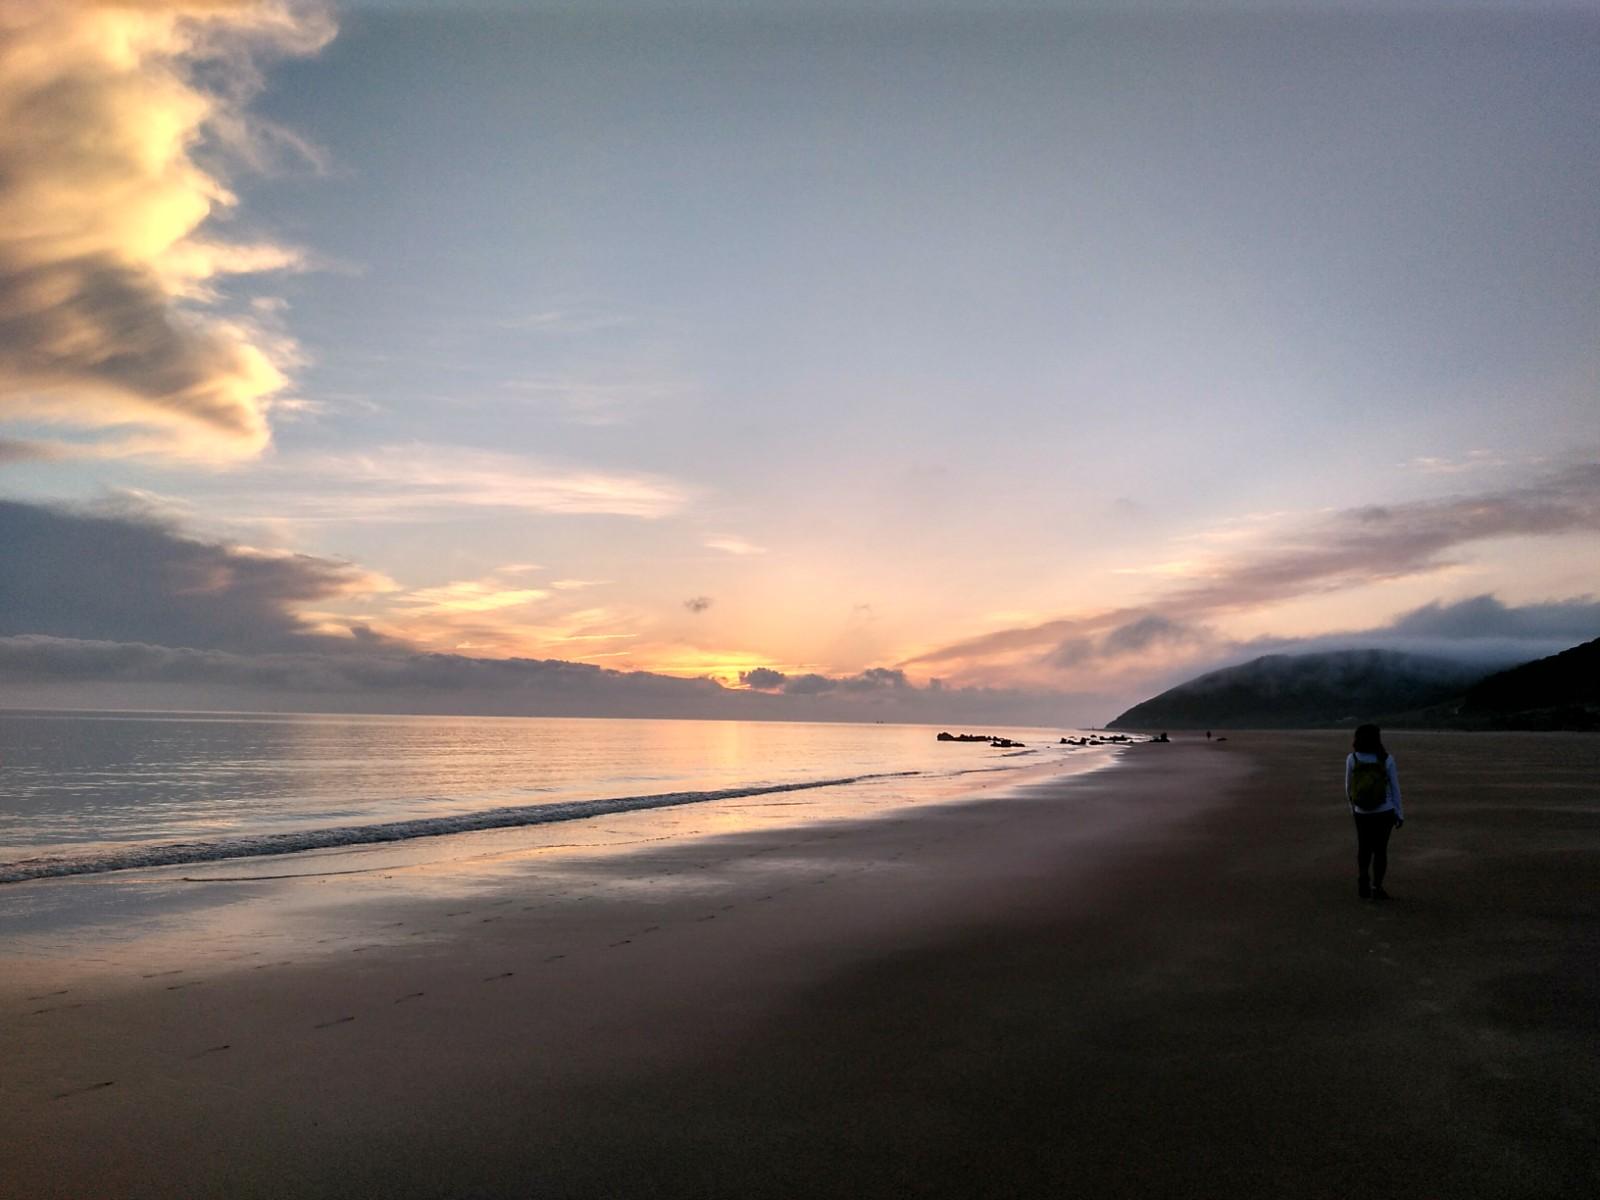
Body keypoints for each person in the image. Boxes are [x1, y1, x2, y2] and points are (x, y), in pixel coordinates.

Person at [1345, 723, 1403, 899]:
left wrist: (1353, 808)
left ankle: (1363, 879)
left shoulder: (1352, 758)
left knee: (1364, 847)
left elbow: (1348, 787)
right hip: (1384, 811)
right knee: (1380, 850)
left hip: (1361, 811)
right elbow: (1395, 789)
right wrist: (1399, 813)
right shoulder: (1387, 759)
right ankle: (1377, 887)